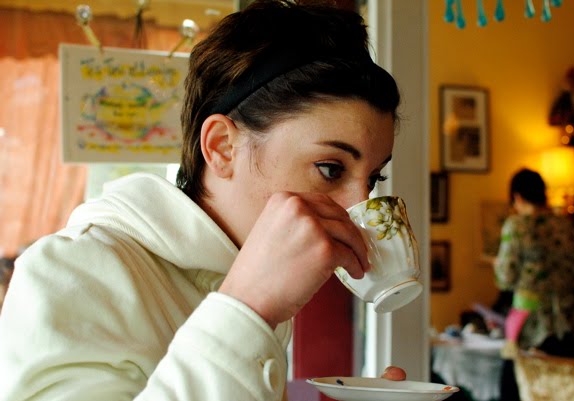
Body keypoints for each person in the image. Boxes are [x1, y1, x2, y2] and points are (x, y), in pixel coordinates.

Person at [0, 2, 407, 400]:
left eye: (373, 178)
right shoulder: (69, 272)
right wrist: (247, 309)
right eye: (331, 169)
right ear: (222, 147)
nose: (358, 206)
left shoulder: (241, 270)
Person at [494, 168, 574, 356]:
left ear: (517, 197)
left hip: (532, 322)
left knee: (522, 372)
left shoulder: (517, 225)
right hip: (569, 318)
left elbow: (506, 278)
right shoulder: (566, 225)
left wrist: (497, 265)